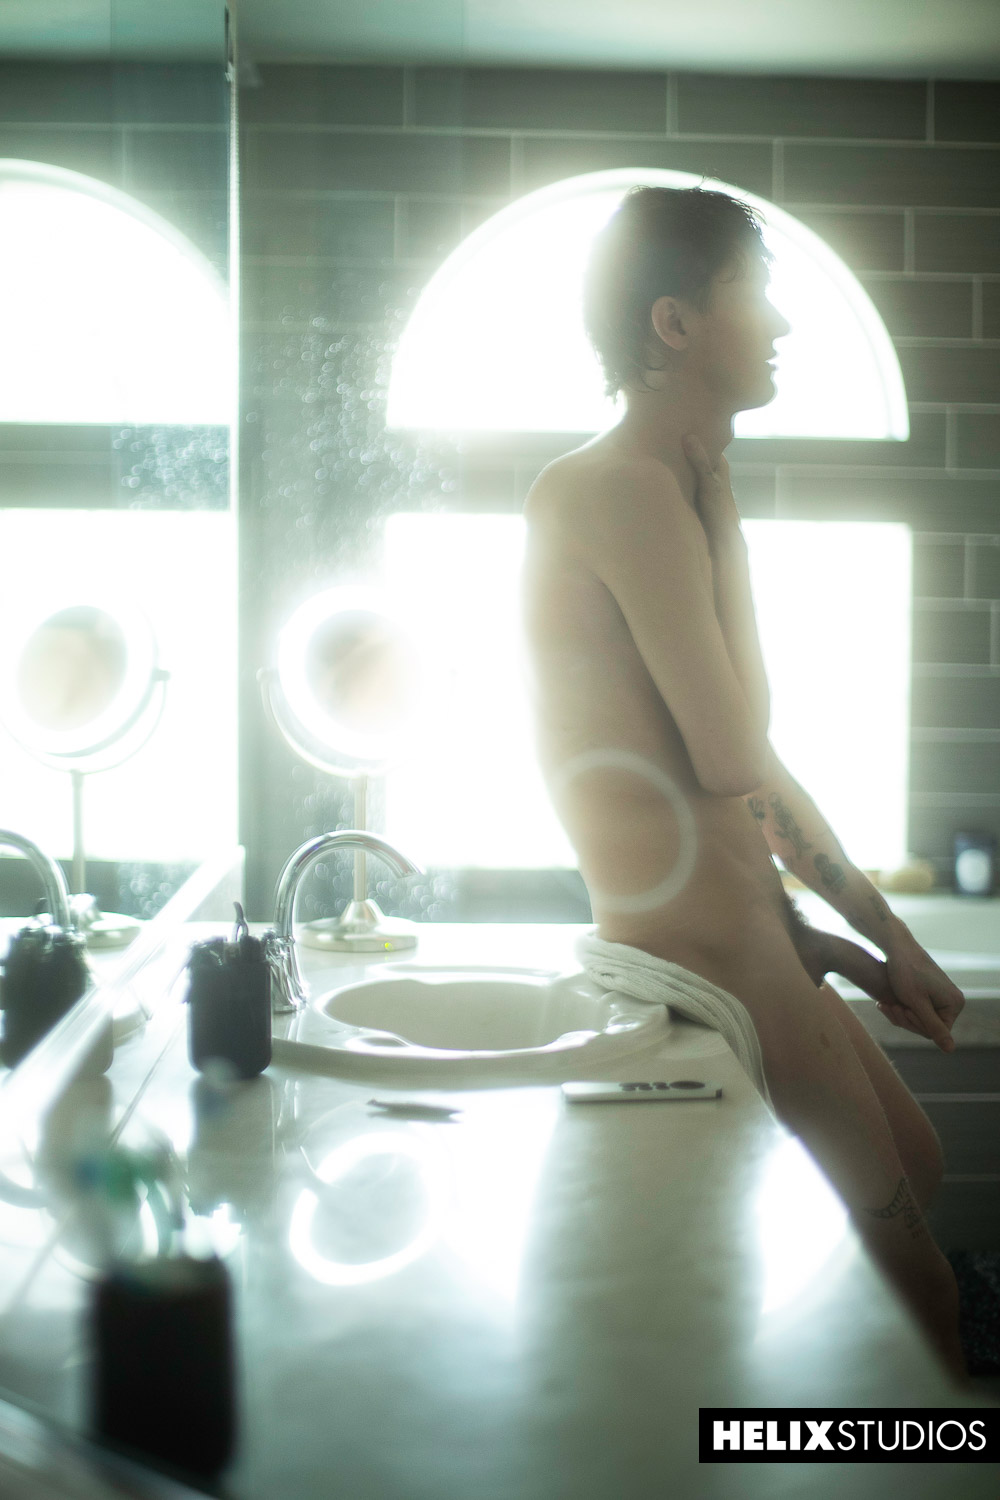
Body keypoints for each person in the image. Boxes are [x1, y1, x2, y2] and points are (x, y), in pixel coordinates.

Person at [519, 183, 970, 1383]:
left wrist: (873, 941)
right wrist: (730, 533)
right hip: (707, 971)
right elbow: (733, 755)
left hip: (753, 948)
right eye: (755, 295)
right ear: (674, 323)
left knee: (917, 1174)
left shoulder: (659, 488)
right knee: (920, 1307)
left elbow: (740, 781)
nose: (782, 324)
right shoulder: (621, 488)